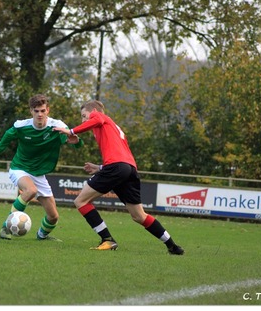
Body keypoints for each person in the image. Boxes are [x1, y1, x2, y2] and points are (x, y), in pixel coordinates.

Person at [54, 100, 184, 254]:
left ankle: (107, 240)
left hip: (117, 167)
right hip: (129, 169)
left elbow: (98, 119)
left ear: (94, 110)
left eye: (84, 115)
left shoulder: (100, 117)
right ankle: (172, 246)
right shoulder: (114, 128)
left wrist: (71, 131)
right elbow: (121, 157)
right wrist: (100, 167)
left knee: (80, 201)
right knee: (138, 215)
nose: (83, 120)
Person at [0, 94, 82, 241]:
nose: (40, 114)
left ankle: (42, 235)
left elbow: (73, 141)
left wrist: (76, 142)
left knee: (53, 216)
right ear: (31, 111)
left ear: (48, 110)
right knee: (31, 190)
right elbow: (7, 136)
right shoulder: (21, 126)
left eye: (42, 110)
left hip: (39, 174)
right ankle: (5, 227)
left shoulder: (57, 126)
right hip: (20, 168)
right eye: (36, 111)